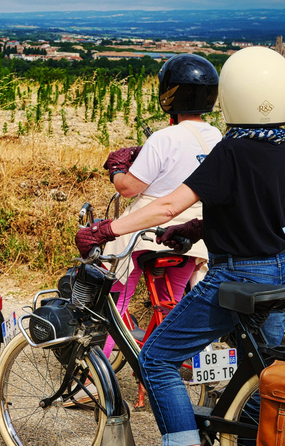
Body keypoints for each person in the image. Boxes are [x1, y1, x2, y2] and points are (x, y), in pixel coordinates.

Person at [75, 46, 285, 446]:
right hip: (278, 270)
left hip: (236, 275)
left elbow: (167, 204)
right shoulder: (282, 151)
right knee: (262, 374)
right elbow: (259, 214)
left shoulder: (231, 149)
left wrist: (107, 229)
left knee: (156, 358)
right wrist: (196, 229)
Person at [100, 54, 221, 362]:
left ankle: (91, 376)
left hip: (147, 232)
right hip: (194, 235)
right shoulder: (217, 136)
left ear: (169, 93)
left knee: (116, 301)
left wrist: (116, 168)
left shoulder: (163, 138)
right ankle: (164, 365)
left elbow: (129, 188)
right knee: (172, 303)